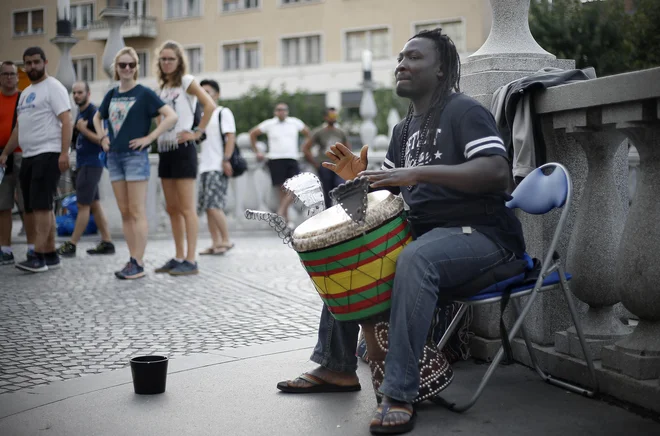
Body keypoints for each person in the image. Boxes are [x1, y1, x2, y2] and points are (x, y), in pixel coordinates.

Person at [277, 28, 526, 435]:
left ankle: (400, 392)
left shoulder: (464, 112)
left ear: (442, 68)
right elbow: (388, 198)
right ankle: (336, 367)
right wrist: (359, 180)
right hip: (429, 234)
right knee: (353, 250)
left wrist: (414, 173)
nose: (401, 65)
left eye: (414, 58)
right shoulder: (404, 130)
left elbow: (497, 173)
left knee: (415, 257)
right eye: (400, 58)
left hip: (484, 236)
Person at [93, 47, 178, 280]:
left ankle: (138, 262)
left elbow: (171, 116)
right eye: (122, 65)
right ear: (116, 69)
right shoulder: (111, 94)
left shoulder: (144, 93)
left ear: (136, 68)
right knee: (125, 211)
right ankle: (132, 259)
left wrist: (150, 138)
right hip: (114, 158)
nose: (127, 68)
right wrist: (102, 137)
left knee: (137, 211)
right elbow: (96, 117)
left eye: (131, 65)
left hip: (135, 157)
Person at [0, 47, 73, 273]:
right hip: (29, 155)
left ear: (45, 62)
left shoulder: (54, 87)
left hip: (48, 152)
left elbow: (67, 120)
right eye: (28, 63)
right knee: (38, 207)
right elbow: (19, 127)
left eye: (36, 62)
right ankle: (50, 254)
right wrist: (5, 153)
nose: (32, 66)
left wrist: (63, 152)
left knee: (41, 207)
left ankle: (38, 256)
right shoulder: (27, 93)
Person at [153, 40, 216, 276]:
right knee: (172, 208)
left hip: (184, 149)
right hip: (165, 149)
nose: (167, 62)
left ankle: (191, 259)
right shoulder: (161, 87)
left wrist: (198, 132)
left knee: (187, 208)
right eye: (163, 59)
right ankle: (179, 256)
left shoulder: (187, 81)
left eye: (171, 59)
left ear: (179, 61)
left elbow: (209, 105)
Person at [57, 81, 115, 258]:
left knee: (83, 205)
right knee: (94, 205)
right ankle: (107, 242)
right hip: (83, 163)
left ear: (88, 94)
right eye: (74, 93)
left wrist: (82, 129)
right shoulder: (81, 113)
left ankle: (72, 244)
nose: (76, 96)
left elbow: (102, 139)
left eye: (80, 92)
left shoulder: (94, 112)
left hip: (92, 163)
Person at [249, 103, 311, 224]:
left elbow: (308, 133)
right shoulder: (269, 124)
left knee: (295, 187)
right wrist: (257, 151)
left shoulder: (295, 122)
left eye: (283, 110)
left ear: (287, 111)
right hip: (275, 158)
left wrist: (304, 147)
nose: (281, 112)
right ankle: (286, 220)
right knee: (282, 189)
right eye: (279, 110)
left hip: (292, 157)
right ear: (275, 112)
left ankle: (281, 210)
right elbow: (252, 134)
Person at [197, 79, 235, 256]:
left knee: (214, 205)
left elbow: (230, 137)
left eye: (208, 92)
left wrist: (226, 159)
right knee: (207, 206)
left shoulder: (222, 112)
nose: (204, 95)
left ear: (217, 94)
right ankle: (216, 242)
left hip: (217, 165)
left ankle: (226, 239)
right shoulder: (201, 116)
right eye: (201, 92)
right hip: (204, 166)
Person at [0, 60, 31, 265]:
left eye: (13, 74)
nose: (10, 77)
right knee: (3, 206)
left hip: (22, 155)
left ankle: (32, 247)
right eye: (6, 74)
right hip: (1, 159)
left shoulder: (24, 98)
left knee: (26, 204)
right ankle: (5, 249)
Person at [302, 107, 350, 207]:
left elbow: (348, 149)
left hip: (339, 165)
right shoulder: (319, 132)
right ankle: (328, 213)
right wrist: (315, 164)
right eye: (331, 116)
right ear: (325, 117)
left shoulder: (341, 132)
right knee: (327, 191)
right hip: (325, 165)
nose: (333, 118)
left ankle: (343, 211)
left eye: (335, 115)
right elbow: (306, 148)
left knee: (342, 186)